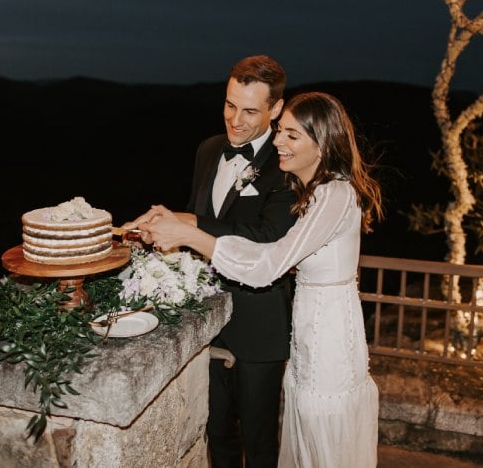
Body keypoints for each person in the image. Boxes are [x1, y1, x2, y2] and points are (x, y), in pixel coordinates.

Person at [135, 91, 384, 467]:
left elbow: (270, 265)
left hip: (330, 337)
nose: (278, 142)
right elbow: (265, 255)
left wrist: (192, 236)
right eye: (280, 132)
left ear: (323, 144)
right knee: (305, 431)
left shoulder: (335, 194)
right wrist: (188, 226)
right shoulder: (315, 194)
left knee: (324, 432)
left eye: (292, 136)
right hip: (309, 333)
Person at [123, 55, 297, 468]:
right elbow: (193, 214)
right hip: (206, 315)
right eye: (229, 104)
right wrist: (158, 237)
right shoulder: (208, 150)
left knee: (258, 443)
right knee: (216, 432)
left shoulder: (288, 159)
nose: (235, 120)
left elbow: (268, 239)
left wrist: (190, 224)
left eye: (250, 110)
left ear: (275, 109)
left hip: (259, 325)